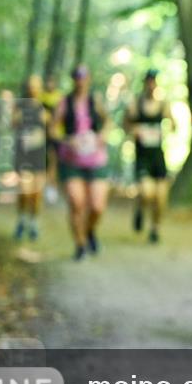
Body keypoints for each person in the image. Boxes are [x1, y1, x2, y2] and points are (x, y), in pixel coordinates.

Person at [53, 64, 111, 261]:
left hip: (96, 160)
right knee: (77, 202)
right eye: (77, 77)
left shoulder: (95, 100)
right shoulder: (64, 103)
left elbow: (108, 121)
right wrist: (68, 140)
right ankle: (80, 244)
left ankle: (89, 231)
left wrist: (103, 136)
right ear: (73, 79)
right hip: (72, 161)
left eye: (84, 76)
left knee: (97, 206)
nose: (81, 80)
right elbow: (53, 129)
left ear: (89, 79)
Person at [124, 68, 175, 243]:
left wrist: (166, 130)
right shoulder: (135, 104)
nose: (151, 85)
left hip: (158, 156)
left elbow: (173, 124)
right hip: (142, 156)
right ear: (145, 83)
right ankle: (140, 207)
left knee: (161, 196)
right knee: (147, 192)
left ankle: (155, 228)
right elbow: (126, 126)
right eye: (149, 81)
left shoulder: (163, 104)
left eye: (154, 81)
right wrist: (135, 130)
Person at [12, 75, 49, 241]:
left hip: (40, 156)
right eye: (31, 85)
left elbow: (54, 131)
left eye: (36, 85)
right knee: (25, 192)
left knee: (37, 194)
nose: (33, 88)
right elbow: (12, 125)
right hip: (23, 156)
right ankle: (21, 220)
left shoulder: (45, 107)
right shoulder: (19, 105)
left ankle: (34, 224)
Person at [39, 75, 64, 204]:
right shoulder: (40, 97)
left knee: (54, 161)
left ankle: (52, 188)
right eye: (47, 81)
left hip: (56, 135)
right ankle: (44, 187)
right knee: (44, 162)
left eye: (51, 81)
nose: (49, 84)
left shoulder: (60, 97)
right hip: (42, 135)